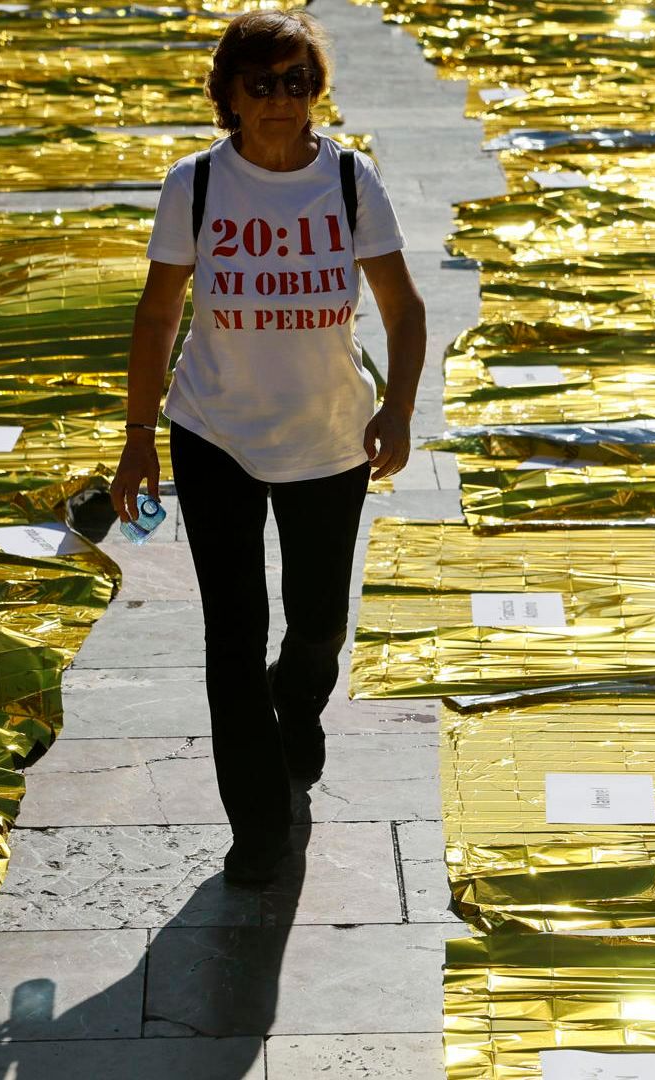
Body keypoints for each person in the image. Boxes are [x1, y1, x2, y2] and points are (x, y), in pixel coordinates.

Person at [109, 10, 426, 888]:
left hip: (331, 438)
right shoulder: (197, 185)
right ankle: (256, 821)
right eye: (262, 83)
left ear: (315, 89)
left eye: (297, 80)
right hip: (213, 433)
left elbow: (402, 309)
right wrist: (138, 437)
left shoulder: (352, 182)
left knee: (318, 621)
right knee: (232, 632)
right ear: (228, 96)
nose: (281, 100)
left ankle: (301, 705)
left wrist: (397, 410)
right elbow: (158, 314)